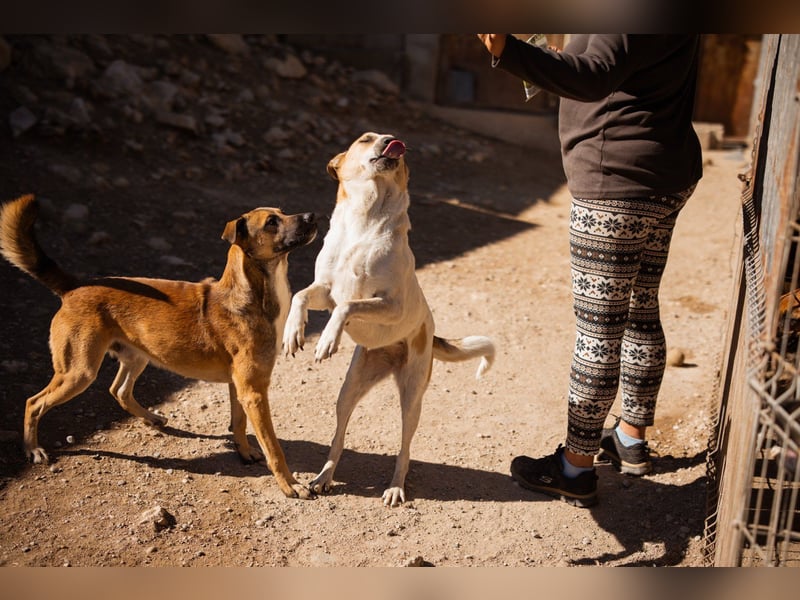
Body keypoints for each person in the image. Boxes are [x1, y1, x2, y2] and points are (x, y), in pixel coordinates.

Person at [477, 34, 703, 507]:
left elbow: (592, 76)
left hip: (616, 180)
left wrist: (507, 50)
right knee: (640, 308)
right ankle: (631, 439)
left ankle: (575, 469)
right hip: (664, 171)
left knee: (599, 331)